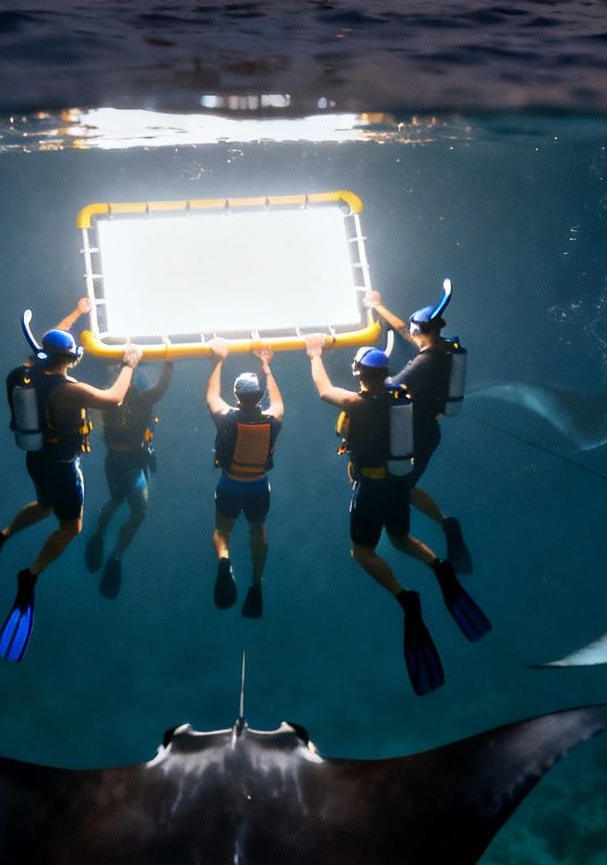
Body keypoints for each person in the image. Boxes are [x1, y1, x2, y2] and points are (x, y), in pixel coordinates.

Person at [0, 311, 143, 663]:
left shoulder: (22, 375)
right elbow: (113, 399)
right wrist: (129, 364)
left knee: (44, 504)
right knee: (70, 526)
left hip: (35, 459)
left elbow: (46, 346)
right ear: (70, 359)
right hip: (64, 467)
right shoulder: (71, 391)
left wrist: (76, 314)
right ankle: (30, 575)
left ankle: (1, 537)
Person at [304, 333, 489, 696]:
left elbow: (324, 389)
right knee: (400, 538)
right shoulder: (399, 397)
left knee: (362, 551)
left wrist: (314, 353)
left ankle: (405, 596)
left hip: (371, 488)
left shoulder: (355, 402)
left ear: (358, 373)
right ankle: (438, 565)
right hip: (397, 484)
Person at [364, 282, 471, 573]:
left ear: (420, 332)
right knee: (407, 486)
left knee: (400, 485)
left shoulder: (425, 362)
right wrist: (378, 306)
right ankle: (446, 522)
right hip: (429, 431)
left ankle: (425, 534)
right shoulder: (445, 349)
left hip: (415, 434)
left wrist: (369, 376)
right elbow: (403, 329)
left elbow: (391, 387)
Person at [84, 357, 173, 598]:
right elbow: (162, 387)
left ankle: (102, 538)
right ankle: (114, 553)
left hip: (117, 461)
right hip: (130, 462)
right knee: (138, 510)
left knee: (117, 500)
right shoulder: (138, 399)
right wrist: (169, 362)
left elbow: (160, 389)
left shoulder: (108, 399)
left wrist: (168, 364)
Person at [205, 338, 282, 618]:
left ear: (236, 396)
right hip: (259, 486)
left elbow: (212, 396)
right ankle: (256, 583)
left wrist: (219, 361)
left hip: (230, 483)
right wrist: (267, 367)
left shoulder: (226, 418)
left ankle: (225, 559)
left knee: (222, 531)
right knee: (257, 528)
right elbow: (278, 403)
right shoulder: (273, 420)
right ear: (259, 396)